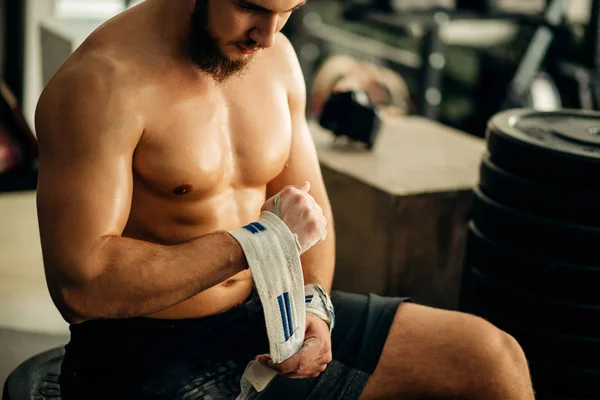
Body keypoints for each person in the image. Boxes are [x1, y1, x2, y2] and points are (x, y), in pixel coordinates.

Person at [34, 0, 535, 399]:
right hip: (145, 349)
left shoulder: (277, 60)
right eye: (252, 8)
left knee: (491, 357)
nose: (268, 36)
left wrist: (314, 308)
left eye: (288, 12)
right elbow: (83, 286)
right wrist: (259, 242)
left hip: (268, 315)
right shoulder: (101, 83)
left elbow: (308, 209)